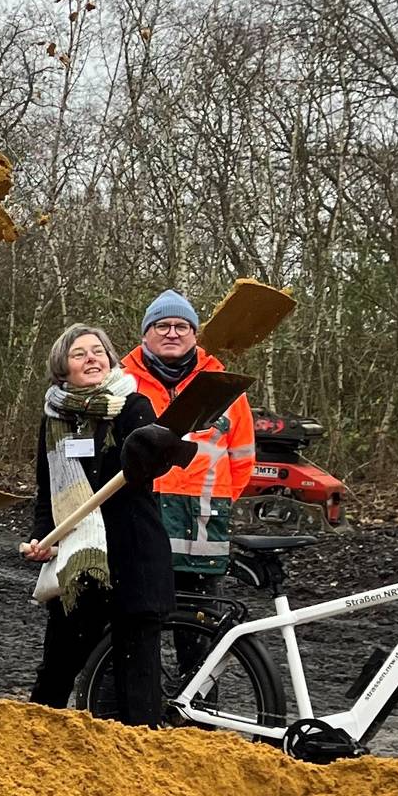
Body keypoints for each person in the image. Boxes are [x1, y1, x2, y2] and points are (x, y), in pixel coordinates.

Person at [19, 323, 178, 726]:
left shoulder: (134, 406)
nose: (91, 358)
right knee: (55, 673)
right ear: (63, 369)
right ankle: (31, 745)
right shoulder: (53, 420)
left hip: (134, 556)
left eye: (98, 351)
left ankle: (140, 763)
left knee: (137, 686)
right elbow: (47, 491)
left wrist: (150, 448)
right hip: (82, 563)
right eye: (79, 354)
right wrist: (42, 538)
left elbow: (147, 474)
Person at [122, 289, 257, 587]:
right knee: (140, 623)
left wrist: (216, 500)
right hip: (140, 521)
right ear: (146, 334)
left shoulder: (223, 387)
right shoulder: (121, 384)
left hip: (203, 527)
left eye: (181, 326)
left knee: (200, 620)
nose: (172, 333)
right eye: (162, 326)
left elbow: (243, 459)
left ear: (194, 334)